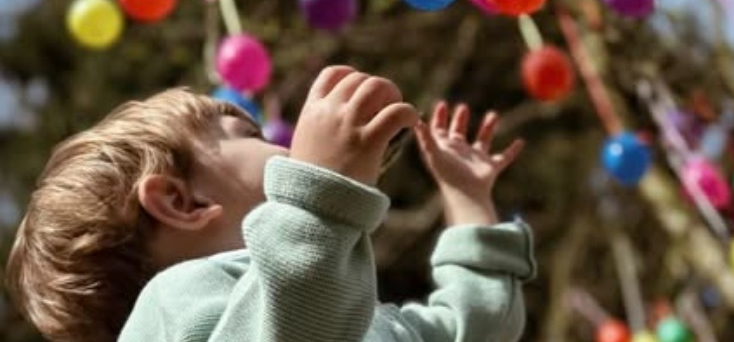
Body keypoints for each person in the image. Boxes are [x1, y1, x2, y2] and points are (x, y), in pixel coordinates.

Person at [6, 66, 534, 342]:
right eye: (249, 134)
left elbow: (476, 328)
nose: (287, 148)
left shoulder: (362, 316)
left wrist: (467, 202)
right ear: (181, 201)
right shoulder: (172, 304)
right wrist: (318, 197)